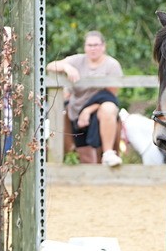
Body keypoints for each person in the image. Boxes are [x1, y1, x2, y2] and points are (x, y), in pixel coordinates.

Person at [47, 31, 124, 167]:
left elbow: (111, 95)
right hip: (76, 108)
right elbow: (50, 66)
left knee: (109, 108)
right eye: (89, 45)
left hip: (99, 108)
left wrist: (88, 110)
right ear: (85, 47)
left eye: (96, 45)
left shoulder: (112, 65)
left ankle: (108, 152)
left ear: (103, 46)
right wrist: (67, 67)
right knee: (86, 157)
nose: (93, 48)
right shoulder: (77, 60)